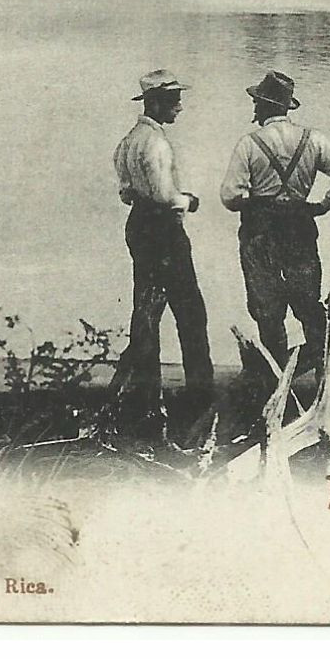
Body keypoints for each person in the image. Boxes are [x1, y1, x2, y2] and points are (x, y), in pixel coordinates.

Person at [220, 70, 330, 375]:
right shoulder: (314, 139)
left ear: (265, 106)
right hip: (300, 226)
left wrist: (253, 201)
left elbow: (229, 196)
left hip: (260, 231)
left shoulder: (249, 144)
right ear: (285, 107)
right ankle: (325, 377)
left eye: (257, 102)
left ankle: (275, 378)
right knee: (309, 305)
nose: (254, 109)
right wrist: (325, 204)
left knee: (267, 309)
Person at [111, 69, 212, 436]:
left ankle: (145, 393)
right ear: (156, 104)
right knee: (190, 310)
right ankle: (200, 392)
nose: (180, 108)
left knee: (147, 307)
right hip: (163, 229)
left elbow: (126, 192)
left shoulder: (127, 142)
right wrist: (189, 200)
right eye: (174, 101)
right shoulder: (155, 143)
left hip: (139, 225)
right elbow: (164, 196)